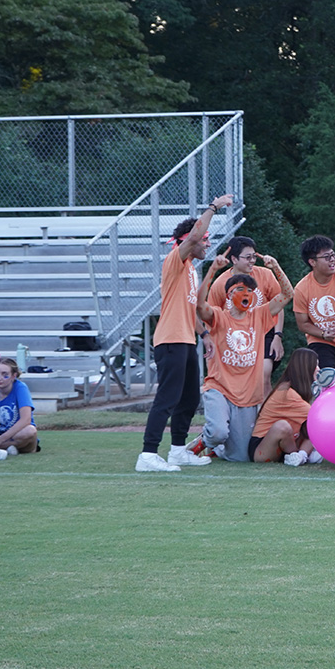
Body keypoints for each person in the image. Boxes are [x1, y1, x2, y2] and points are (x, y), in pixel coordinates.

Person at [135, 194, 235, 472]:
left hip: (186, 340)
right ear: (187, 240)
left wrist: (204, 335)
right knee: (167, 398)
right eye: (204, 240)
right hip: (170, 340)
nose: (207, 243)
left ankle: (178, 450)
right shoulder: (174, 261)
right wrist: (214, 207)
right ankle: (147, 454)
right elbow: (194, 236)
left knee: (190, 398)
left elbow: (193, 308)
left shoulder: (192, 270)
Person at [193, 248, 293, 461]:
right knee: (219, 431)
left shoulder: (260, 315)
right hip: (219, 387)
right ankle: (205, 441)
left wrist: (276, 267)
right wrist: (212, 269)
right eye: (241, 289)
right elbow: (199, 305)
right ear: (229, 295)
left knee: (240, 457)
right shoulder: (219, 316)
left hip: (248, 395)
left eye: (250, 291)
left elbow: (287, 295)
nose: (246, 294)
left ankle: (216, 448)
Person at [207, 236, 286, 393]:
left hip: (263, 332)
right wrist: (210, 341)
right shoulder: (220, 284)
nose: (252, 261)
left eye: (254, 257)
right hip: (234, 336)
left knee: (264, 375)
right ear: (234, 259)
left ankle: (265, 416)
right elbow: (210, 316)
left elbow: (280, 305)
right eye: (247, 257)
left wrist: (278, 336)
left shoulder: (265, 275)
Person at [292, 235, 335, 382]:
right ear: (312, 262)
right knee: (328, 378)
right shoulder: (302, 288)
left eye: (333, 255)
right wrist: (323, 334)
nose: (332, 259)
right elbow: (302, 324)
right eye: (326, 257)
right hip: (320, 342)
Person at [250, 348, 321, 465]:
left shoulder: (296, 390)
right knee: (282, 426)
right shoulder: (287, 393)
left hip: (285, 445)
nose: (319, 370)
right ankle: (297, 455)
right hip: (262, 448)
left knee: (311, 425)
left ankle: (301, 455)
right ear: (306, 367)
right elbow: (317, 415)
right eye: (316, 365)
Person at [0, 357, 39, 456]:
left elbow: (26, 419)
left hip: (19, 434)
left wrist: (0, 440)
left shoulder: (20, 388)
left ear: (14, 376)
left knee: (30, 431)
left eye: (5, 375)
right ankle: (7, 447)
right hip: (0, 433)